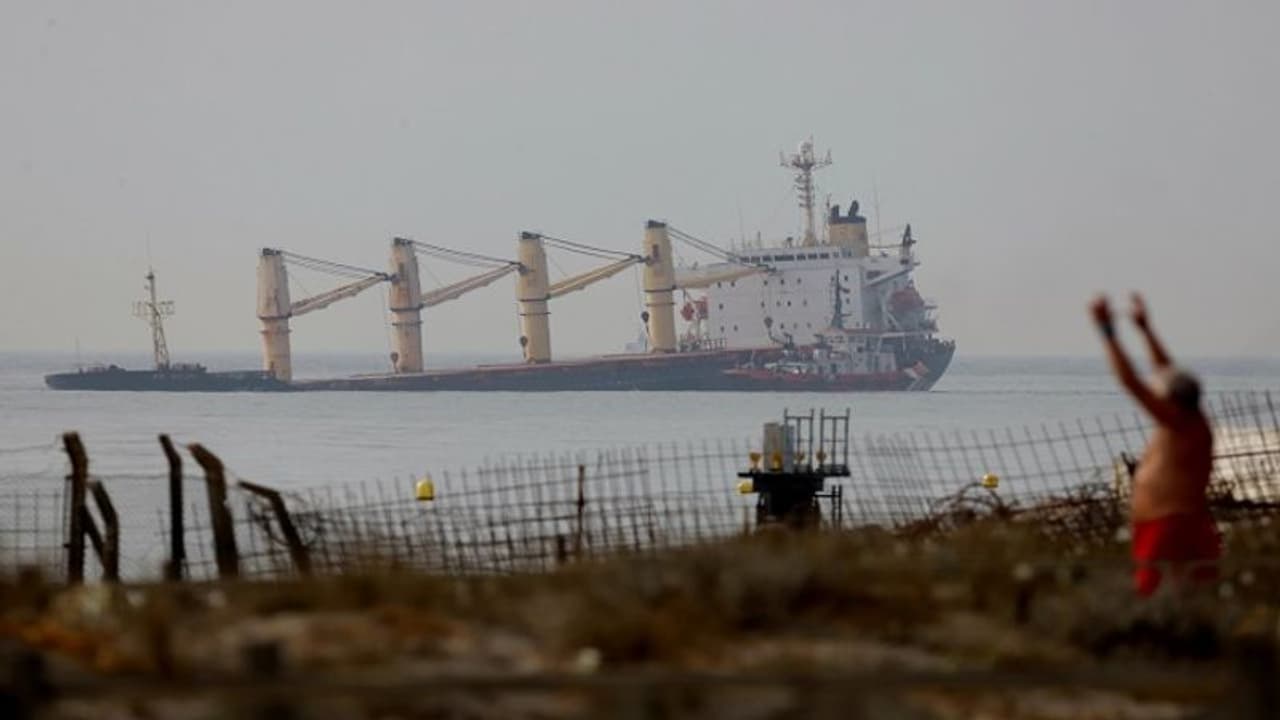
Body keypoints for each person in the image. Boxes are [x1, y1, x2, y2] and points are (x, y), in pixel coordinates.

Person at [1089, 293, 1218, 596]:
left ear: (1172, 402)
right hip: (1168, 524)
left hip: (1168, 527)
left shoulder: (1180, 422)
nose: (1156, 392)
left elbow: (1131, 381)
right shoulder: (1189, 418)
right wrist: (1145, 329)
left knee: (1155, 600)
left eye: (1161, 393)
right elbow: (1166, 371)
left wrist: (1108, 332)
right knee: (1188, 599)